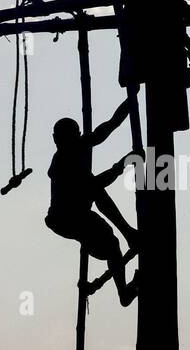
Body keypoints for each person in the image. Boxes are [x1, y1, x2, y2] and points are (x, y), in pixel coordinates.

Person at [44, 101, 139, 305]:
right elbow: (95, 185)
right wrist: (122, 164)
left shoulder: (78, 145)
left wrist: (130, 101)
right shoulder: (62, 163)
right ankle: (124, 289)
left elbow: (108, 127)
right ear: (56, 140)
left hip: (77, 214)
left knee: (110, 243)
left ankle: (126, 235)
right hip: (66, 217)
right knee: (111, 243)